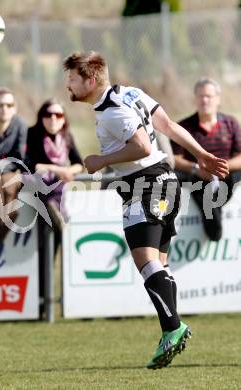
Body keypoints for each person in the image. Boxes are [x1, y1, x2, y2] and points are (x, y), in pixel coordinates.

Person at [63, 51, 228, 369]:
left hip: (146, 186)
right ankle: (171, 330)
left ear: (91, 79)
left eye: (72, 79)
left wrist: (101, 160)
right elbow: (167, 125)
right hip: (166, 183)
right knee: (159, 265)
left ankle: (173, 328)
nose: (68, 86)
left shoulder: (112, 112)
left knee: (146, 262)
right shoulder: (130, 93)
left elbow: (143, 146)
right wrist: (202, 155)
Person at [25, 98, 83, 318]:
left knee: (53, 253)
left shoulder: (66, 137)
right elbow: (29, 163)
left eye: (58, 115)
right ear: (41, 117)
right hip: (37, 196)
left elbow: (79, 162)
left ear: (64, 119)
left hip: (61, 196)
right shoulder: (32, 135)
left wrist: (68, 171)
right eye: (49, 114)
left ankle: (46, 305)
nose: (53, 119)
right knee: (41, 253)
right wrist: (56, 168)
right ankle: (40, 305)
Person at [172, 77, 241, 241]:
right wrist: (197, 168)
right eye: (201, 96)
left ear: (218, 99)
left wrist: (221, 166)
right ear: (195, 99)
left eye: (209, 96)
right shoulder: (184, 127)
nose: (205, 100)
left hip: (227, 175)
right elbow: (174, 159)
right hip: (197, 177)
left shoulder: (231, 123)